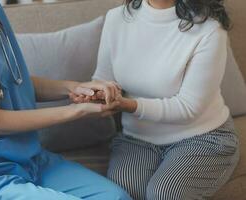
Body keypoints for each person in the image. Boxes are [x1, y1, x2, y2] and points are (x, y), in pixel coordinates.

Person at [0, 0, 132, 199]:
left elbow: (13, 81)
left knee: (116, 197)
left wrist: (74, 87)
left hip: (28, 159)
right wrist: (78, 110)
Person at [70, 0, 240, 199]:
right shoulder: (117, 18)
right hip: (136, 138)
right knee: (121, 194)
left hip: (201, 137)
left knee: (165, 193)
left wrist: (128, 105)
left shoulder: (209, 28)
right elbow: (104, 78)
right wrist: (94, 95)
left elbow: (189, 107)